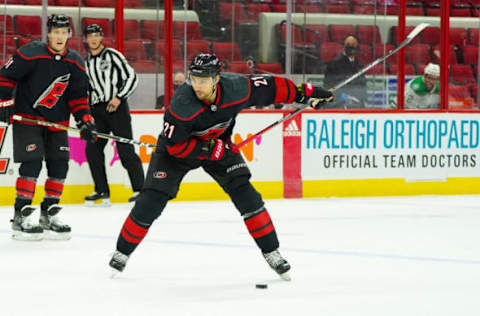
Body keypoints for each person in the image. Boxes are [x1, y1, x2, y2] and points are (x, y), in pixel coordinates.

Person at [108, 53, 333, 280]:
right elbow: (176, 147)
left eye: (203, 80)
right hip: (176, 154)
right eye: (193, 79)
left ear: (216, 79)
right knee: (151, 201)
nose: (197, 85)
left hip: (220, 148)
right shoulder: (181, 106)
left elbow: (272, 87)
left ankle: (272, 252)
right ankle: (122, 252)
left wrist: (305, 93)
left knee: (247, 195)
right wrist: (208, 150)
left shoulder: (236, 88)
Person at [0, 14, 96, 241]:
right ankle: (20, 215)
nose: (60, 36)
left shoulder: (75, 62)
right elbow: (5, 76)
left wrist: (86, 120)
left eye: (64, 32)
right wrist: (5, 101)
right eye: (56, 32)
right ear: (49, 34)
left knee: (59, 167)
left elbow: (77, 97)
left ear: (69, 35)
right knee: (32, 165)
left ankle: (48, 213)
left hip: (57, 124)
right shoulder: (31, 52)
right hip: (28, 120)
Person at [83, 24, 145, 206]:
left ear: (101, 37)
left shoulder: (113, 55)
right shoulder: (86, 62)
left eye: (96, 35)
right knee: (92, 150)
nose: (93, 39)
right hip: (97, 112)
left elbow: (132, 77)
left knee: (126, 150)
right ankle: (102, 190)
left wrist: (119, 98)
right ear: (85, 39)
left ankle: (140, 189)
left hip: (117, 109)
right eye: (90, 36)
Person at [324, 35, 367, 108]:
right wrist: (341, 96)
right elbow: (328, 84)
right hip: (338, 104)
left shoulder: (360, 64)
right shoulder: (334, 63)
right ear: (344, 46)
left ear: (357, 46)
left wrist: (358, 97)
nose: (351, 47)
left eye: (353, 44)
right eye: (348, 45)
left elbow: (362, 83)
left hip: (357, 104)